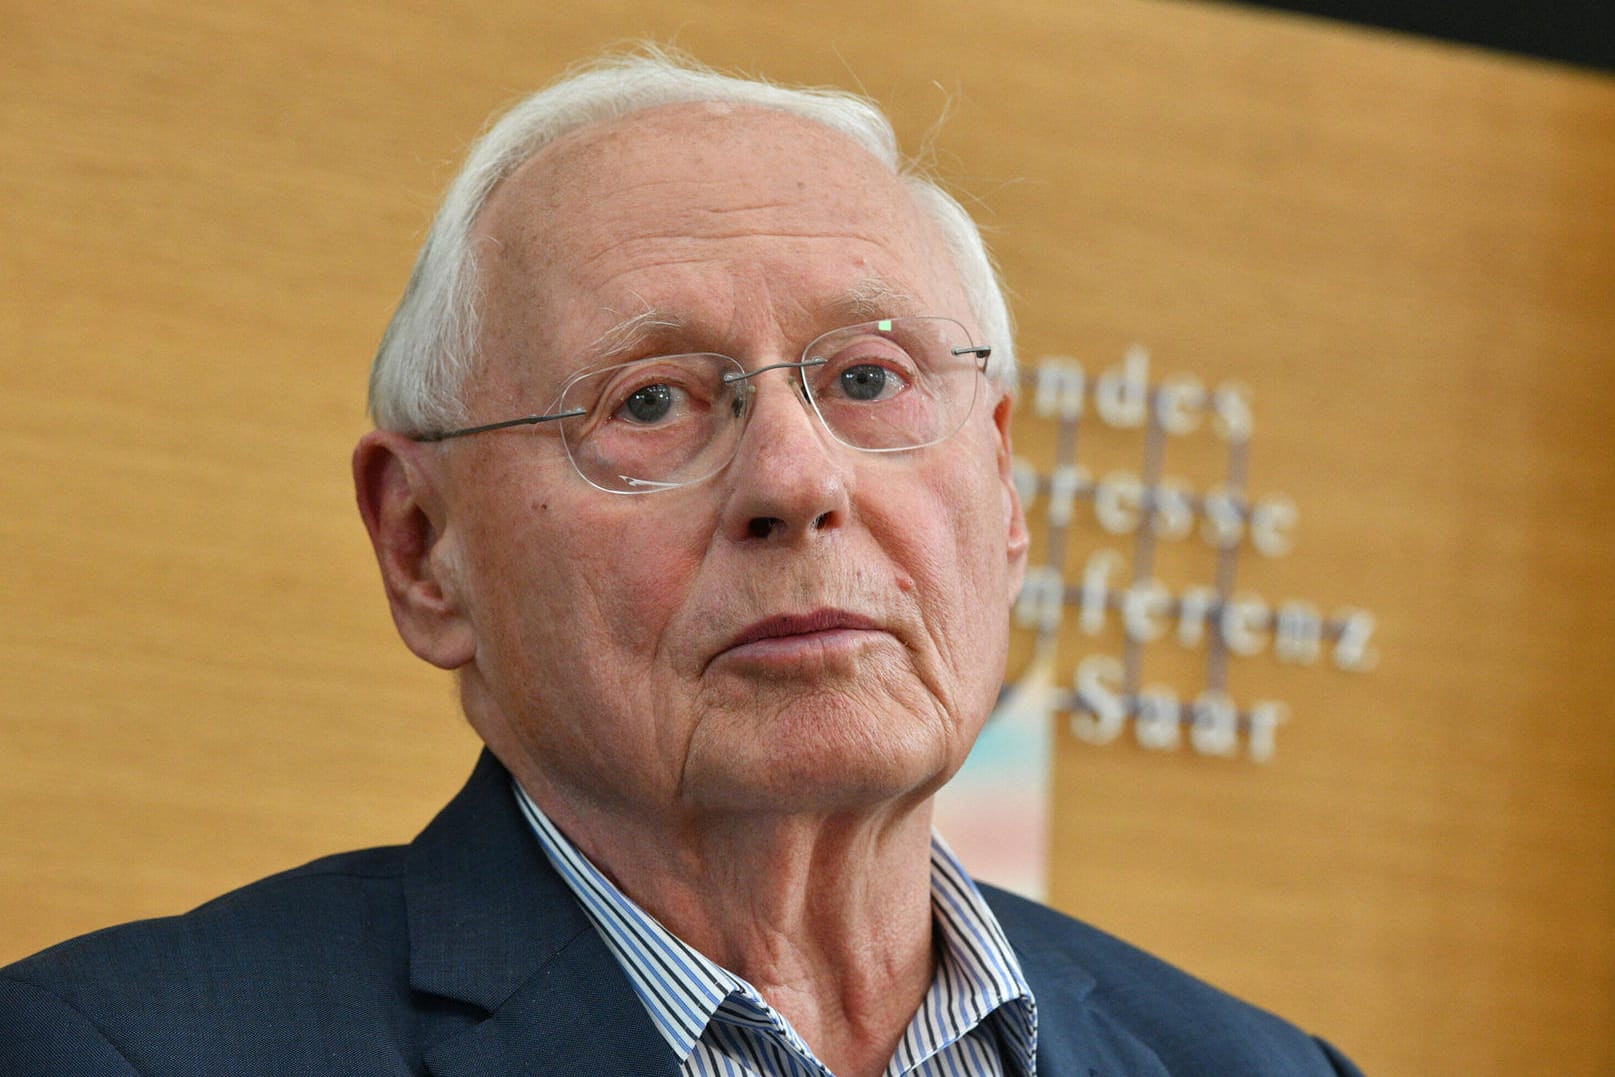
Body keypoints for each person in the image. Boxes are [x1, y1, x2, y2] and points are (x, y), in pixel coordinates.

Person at [0, 50, 1364, 1076]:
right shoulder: (119, 1049)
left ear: (1004, 493)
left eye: (869, 376)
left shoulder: (1260, 1066)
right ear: (424, 549)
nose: (797, 480)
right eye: (650, 401)